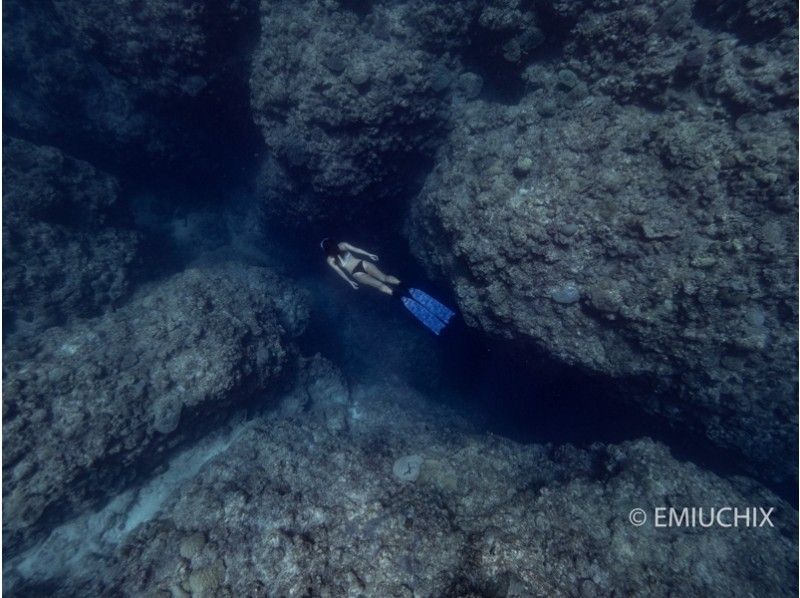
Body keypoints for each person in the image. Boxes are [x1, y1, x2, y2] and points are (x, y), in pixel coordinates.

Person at [321, 238, 455, 335]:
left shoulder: (330, 260)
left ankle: (401, 297)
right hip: (363, 263)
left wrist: (350, 282)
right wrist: (368, 254)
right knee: (385, 278)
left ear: (326, 250)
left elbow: (339, 272)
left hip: (357, 273)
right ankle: (405, 287)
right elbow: (357, 250)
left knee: (380, 285)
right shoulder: (342, 245)